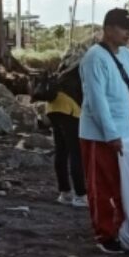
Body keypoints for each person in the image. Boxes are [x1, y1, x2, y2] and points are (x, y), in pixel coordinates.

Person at [79, 8, 129, 253]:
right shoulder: (94, 57)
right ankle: (104, 234)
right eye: (124, 29)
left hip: (125, 130)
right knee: (100, 185)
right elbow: (97, 100)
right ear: (109, 29)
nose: (128, 34)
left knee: (122, 184)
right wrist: (110, 133)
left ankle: (122, 227)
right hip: (98, 134)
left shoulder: (125, 55)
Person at [46, 53, 85, 206]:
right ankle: (80, 195)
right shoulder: (81, 68)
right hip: (69, 110)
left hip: (52, 109)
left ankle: (64, 193)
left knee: (61, 152)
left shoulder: (63, 69)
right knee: (76, 153)